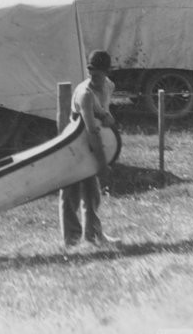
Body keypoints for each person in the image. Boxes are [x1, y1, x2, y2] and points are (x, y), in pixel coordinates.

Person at [60, 49, 120, 248]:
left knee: (92, 193)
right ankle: (71, 240)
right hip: (74, 145)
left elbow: (103, 113)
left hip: (91, 143)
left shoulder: (109, 86)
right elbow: (91, 130)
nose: (93, 79)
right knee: (71, 193)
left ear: (107, 73)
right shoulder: (84, 93)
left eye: (98, 75)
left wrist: (107, 118)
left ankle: (93, 235)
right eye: (90, 74)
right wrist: (102, 164)